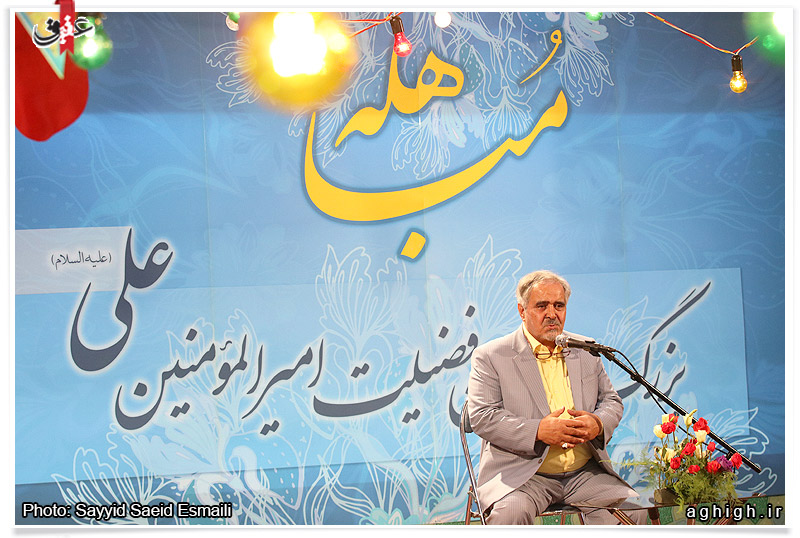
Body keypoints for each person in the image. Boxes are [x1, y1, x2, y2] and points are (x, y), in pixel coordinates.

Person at [467, 270, 643, 525]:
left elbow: (611, 400)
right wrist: (539, 431)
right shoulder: (491, 355)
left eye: (558, 305)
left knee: (635, 513)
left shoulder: (585, 348)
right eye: (542, 306)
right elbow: (483, 416)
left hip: (584, 473)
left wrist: (597, 423)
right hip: (522, 476)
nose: (552, 313)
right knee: (509, 515)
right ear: (522, 310)